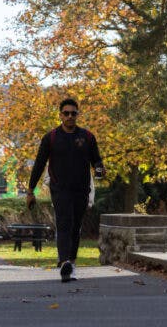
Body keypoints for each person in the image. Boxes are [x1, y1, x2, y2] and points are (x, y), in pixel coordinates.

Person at [26, 97, 105, 282]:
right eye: (66, 113)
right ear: (60, 115)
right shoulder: (51, 138)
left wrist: (100, 169)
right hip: (60, 189)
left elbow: (97, 160)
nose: (70, 116)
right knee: (64, 224)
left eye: (73, 113)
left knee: (75, 227)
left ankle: (71, 264)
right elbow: (38, 165)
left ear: (77, 115)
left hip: (81, 190)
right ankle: (64, 263)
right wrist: (30, 191)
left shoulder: (87, 137)